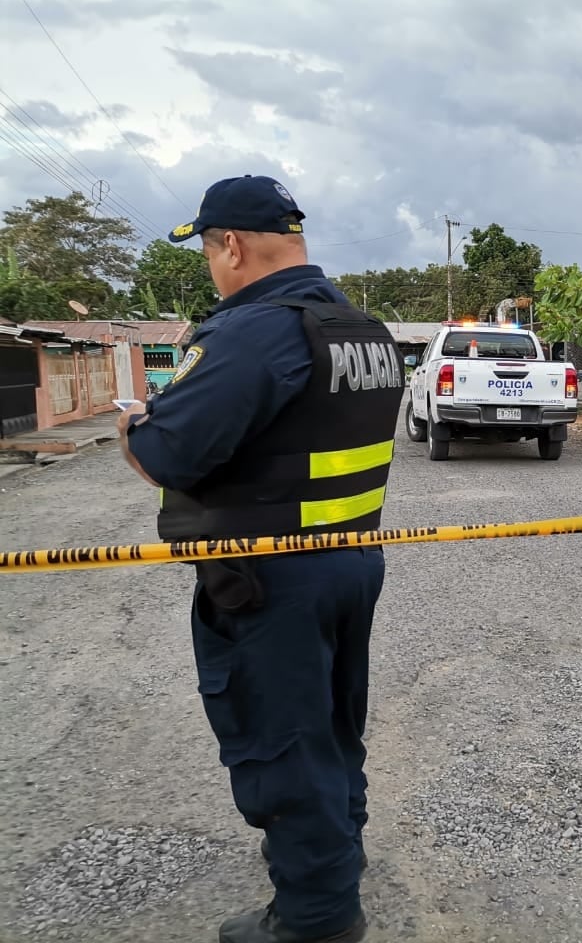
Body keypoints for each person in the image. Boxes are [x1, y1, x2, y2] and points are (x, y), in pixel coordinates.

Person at [116, 174, 404, 943]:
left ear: (232, 245)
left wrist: (135, 426)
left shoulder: (254, 332)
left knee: (282, 741)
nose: (214, 268)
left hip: (268, 578)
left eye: (211, 252)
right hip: (348, 559)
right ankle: (336, 855)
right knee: (333, 727)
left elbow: (168, 453)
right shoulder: (359, 327)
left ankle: (316, 915)